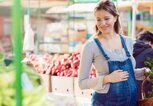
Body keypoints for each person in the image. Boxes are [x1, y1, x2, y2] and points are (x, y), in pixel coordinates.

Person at [78, 0, 147, 106]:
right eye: (98, 20)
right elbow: (82, 83)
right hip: (105, 102)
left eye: (106, 18)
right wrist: (107, 79)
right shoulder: (91, 46)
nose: (102, 23)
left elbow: (126, 74)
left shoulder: (128, 41)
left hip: (130, 102)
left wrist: (144, 72)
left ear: (115, 17)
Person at [133, 31, 153, 100]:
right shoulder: (150, 52)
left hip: (129, 93)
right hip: (144, 96)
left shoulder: (129, 50)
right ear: (150, 42)